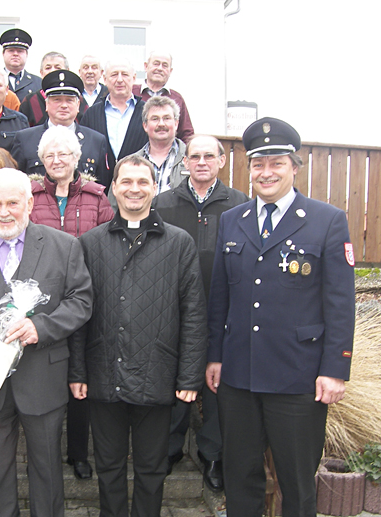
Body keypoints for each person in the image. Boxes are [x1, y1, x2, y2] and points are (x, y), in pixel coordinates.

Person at [206, 117, 355, 517]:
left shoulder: (326, 220)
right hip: (239, 375)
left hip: (298, 376)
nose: (266, 173)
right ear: (249, 169)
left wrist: (335, 369)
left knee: (296, 482)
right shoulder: (231, 220)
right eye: (258, 164)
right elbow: (221, 295)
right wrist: (216, 357)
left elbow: (340, 301)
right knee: (241, 476)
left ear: (294, 166)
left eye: (276, 163)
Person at [0, 168, 93, 517]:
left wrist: (42, 327)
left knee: (47, 470)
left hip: (42, 378)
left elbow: (81, 302)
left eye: (13, 202)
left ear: (30, 203)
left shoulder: (64, 246)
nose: (4, 211)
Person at [69, 154, 207, 517]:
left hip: (156, 372)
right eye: (126, 182)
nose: (134, 189)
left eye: (142, 182)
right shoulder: (91, 243)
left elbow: (194, 313)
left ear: (154, 187)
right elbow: (79, 314)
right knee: (109, 467)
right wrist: (77, 371)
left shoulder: (179, 244)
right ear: (114, 187)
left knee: (151, 469)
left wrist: (190, 375)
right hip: (103, 371)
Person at [153, 134, 249, 492]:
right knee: (176, 384)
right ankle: (169, 451)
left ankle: (213, 455)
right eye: (195, 156)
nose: (202, 162)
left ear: (222, 161)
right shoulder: (162, 204)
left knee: (216, 387)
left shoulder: (240, 205)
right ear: (185, 163)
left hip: (223, 311)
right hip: (173, 312)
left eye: (210, 156)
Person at [28, 125, 113, 480]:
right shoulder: (30, 194)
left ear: (77, 158)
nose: (57, 160)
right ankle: (42, 451)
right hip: (41, 300)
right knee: (46, 377)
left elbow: (108, 242)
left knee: (81, 376)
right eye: (50, 155)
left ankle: (78, 452)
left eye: (64, 154)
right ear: (41, 160)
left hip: (85, 297)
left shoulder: (97, 197)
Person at [11, 70, 109, 185]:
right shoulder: (24, 139)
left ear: (78, 105)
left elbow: (102, 186)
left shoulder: (96, 141)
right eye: (57, 100)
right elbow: (16, 183)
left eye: (69, 100)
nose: (63, 105)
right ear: (46, 104)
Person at [80, 58, 146, 181]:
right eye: (114, 75)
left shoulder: (147, 112)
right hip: (100, 188)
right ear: (105, 79)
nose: (119, 80)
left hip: (136, 186)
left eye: (125, 74)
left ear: (134, 78)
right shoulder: (91, 114)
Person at [132, 51, 194, 143]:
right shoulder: (131, 93)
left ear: (170, 71)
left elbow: (187, 135)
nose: (160, 68)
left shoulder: (176, 98)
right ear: (146, 66)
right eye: (156, 64)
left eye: (165, 65)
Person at [135, 96, 189, 194]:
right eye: (155, 119)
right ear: (145, 126)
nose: (161, 124)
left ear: (176, 124)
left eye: (166, 118)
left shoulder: (192, 159)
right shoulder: (130, 163)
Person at [19, 52, 86, 127]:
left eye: (58, 67)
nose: (52, 71)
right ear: (41, 72)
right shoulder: (30, 101)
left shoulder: (78, 100)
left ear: (67, 70)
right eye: (48, 68)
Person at [0, 28, 41, 102]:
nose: (15, 54)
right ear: (3, 54)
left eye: (20, 51)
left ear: (26, 55)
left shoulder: (38, 82)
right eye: (11, 51)